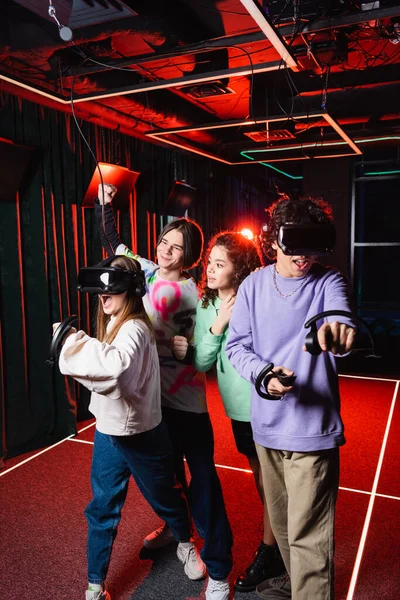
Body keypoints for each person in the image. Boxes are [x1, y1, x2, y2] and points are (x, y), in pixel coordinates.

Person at [94, 184, 233, 600]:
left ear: (190, 255)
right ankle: (179, 535)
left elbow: (213, 349)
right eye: (163, 242)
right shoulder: (144, 273)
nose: (167, 250)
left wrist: (189, 350)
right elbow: (113, 243)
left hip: (187, 404)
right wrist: (105, 204)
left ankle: (220, 570)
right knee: (167, 481)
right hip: (152, 405)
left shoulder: (201, 292)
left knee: (203, 482)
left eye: (177, 247)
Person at [225, 195, 356, 600]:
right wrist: (263, 374)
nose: (305, 256)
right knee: (282, 527)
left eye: (314, 246)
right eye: (296, 245)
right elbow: (236, 346)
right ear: (275, 241)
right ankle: (295, 585)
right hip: (267, 429)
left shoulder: (328, 281)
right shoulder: (252, 285)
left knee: (310, 538)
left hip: (312, 431)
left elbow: (339, 318)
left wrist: (336, 332)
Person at [55, 255, 204, 600]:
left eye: (111, 293)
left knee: (165, 496)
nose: (103, 300)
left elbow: (115, 369)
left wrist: (70, 343)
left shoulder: (136, 328)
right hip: (108, 432)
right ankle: (95, 584)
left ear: (131, 292)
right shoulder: (110, 322)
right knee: (102, 508)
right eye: (100, 294)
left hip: (141, 433)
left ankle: (184, 540)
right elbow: (102, 379)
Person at [192, 231, 286, 593]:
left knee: (270, 483)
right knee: (264, 481)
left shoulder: (257, 297)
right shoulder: (206, 306)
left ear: (239, 269)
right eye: (209, 263)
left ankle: (271, 551)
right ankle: (277, 546)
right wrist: (218, 324)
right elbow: (201, 360)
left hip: (266, 402)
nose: (211, 270)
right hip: (237, 410)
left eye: (220, 264)